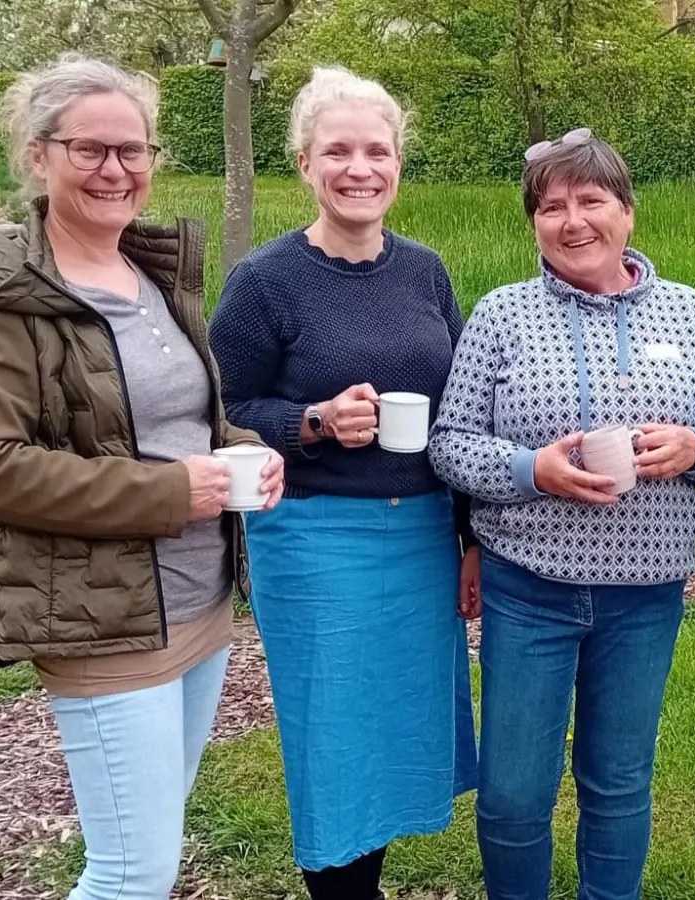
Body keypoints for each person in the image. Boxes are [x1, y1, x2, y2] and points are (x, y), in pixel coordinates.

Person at [0, 54, 284, 900]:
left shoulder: (149, 274)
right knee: (132, 873)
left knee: (149, 840)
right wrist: (170, 493)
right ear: (37, 155)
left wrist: (241, 446)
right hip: (98, 615)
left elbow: (168, 418)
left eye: (134, 150)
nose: (116, 170)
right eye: (90, 149)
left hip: (196, 605)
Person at [428, 129, 695, 900]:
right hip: (529, 588)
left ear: (628, 213)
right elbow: (449, 445)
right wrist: (528, 469)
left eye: (591, 201)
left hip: (646, 593)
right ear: (534, 223)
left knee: (618, 780)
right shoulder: (504, 314)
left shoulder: (689, 311)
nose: (573, 221)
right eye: (552, 207)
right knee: (512, 793)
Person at [207, 67, 478, 900]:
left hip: (423, 533)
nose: (359, 168)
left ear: (398, 162)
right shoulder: (265, 280)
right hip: (318, 534)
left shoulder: (425, 271)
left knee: (399, 723)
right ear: (303, 164)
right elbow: (219, 405)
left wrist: (470, 538)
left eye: (376, 150)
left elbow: (463, 411)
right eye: (337, 151)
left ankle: (371, 880)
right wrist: (312, 422)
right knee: (335, 736)